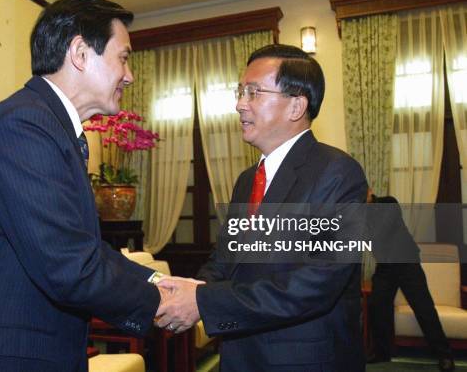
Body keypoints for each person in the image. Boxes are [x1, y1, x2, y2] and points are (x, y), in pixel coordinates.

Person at [0, 0, 169, 372]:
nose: (128, 75)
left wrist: (160, 280)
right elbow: (69, 265)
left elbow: (83, 249)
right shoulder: (26, 125)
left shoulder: (47, 125)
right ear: (80, 53)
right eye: (123, 57)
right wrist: (163, 300)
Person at [156, 44, 368, 371]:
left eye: (254, 92)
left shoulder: (338, 173)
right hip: (240, 353)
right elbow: (225, 259)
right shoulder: (246, 180)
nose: (240, 104)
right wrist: (191, 291)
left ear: (296, 105)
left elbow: (317, 282)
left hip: (303, 360)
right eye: (241, 91)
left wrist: (203, 302)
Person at [367, 190, 454, 372]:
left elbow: (383, 227)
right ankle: (382, 352)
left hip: (406, 262)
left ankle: (444, 355)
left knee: (424, 309)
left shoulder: (387, 202)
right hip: (385, 265)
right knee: (377, 306)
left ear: (370, 191)